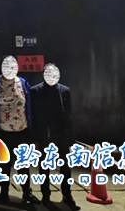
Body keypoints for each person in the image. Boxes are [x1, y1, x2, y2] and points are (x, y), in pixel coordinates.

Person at [0, 56, 40, 205]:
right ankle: (3, 193)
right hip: (3, 132)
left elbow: (29, 104)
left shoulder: (23, 82)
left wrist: (31, 127)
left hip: (22, 131)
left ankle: (27, 193)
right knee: (4, 165)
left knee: (23, 165)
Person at [31, 63, 80, 211]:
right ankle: (46, 195)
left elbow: (68, 115)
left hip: (61, 135)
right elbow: (34, 117)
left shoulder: (64, 90)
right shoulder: (35, 91)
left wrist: (70, 138)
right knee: (44, 166)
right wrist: (35, 139)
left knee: (65, 167)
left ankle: (67, 194)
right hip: (44, 135)